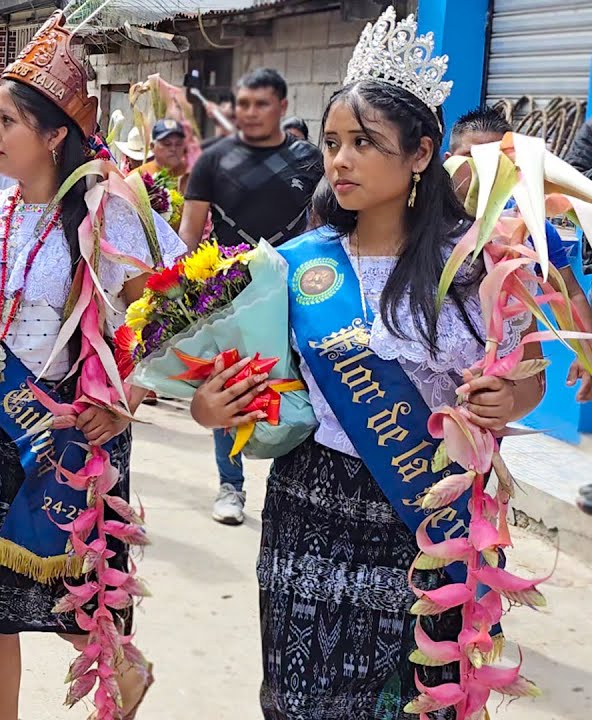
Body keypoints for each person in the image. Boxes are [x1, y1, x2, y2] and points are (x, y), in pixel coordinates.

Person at [189, 8, 545, 717]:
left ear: (420, 154)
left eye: (363, 143)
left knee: (411, 701)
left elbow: (526, 375)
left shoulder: (480, 267)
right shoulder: (294, 265)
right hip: (309, 509)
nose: (340, 161)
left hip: (430, 516)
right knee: (303, 698)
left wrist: (515, 399)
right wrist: (210, 408)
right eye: (331, 143)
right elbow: (228, 386)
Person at [0, 12, 185, 719]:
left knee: (84, 604)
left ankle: (122, 677)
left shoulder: (111, 214)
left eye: (7, 121)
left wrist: (128, 393)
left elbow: (165, 314)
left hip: (77, 433)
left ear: (53, 134)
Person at [179, 67, 324, 526]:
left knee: (303, 388)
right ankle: (230, 485)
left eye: (262, 104)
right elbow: (188, 234)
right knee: (232, 388)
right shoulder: (212, 161)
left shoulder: (310, 159)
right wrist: (184, 298)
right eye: (243, 104)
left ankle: (295, 484)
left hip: (299, 288)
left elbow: (326, 226)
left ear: (281, 108)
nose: (251, 113)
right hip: (232, 292)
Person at [447, 105, 592, 402]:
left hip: (488, 395)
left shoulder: (532, 229)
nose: (483, 170)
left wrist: (587, 350)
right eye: (471, 159)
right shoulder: (417, 223)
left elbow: (570, 293)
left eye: (496, 161)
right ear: (447, 161)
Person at [138, 119, 190, 193]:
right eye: (167, 144)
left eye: (178, 144)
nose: (173, 149)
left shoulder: (192, 174)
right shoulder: (140, 176)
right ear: (152, 147)